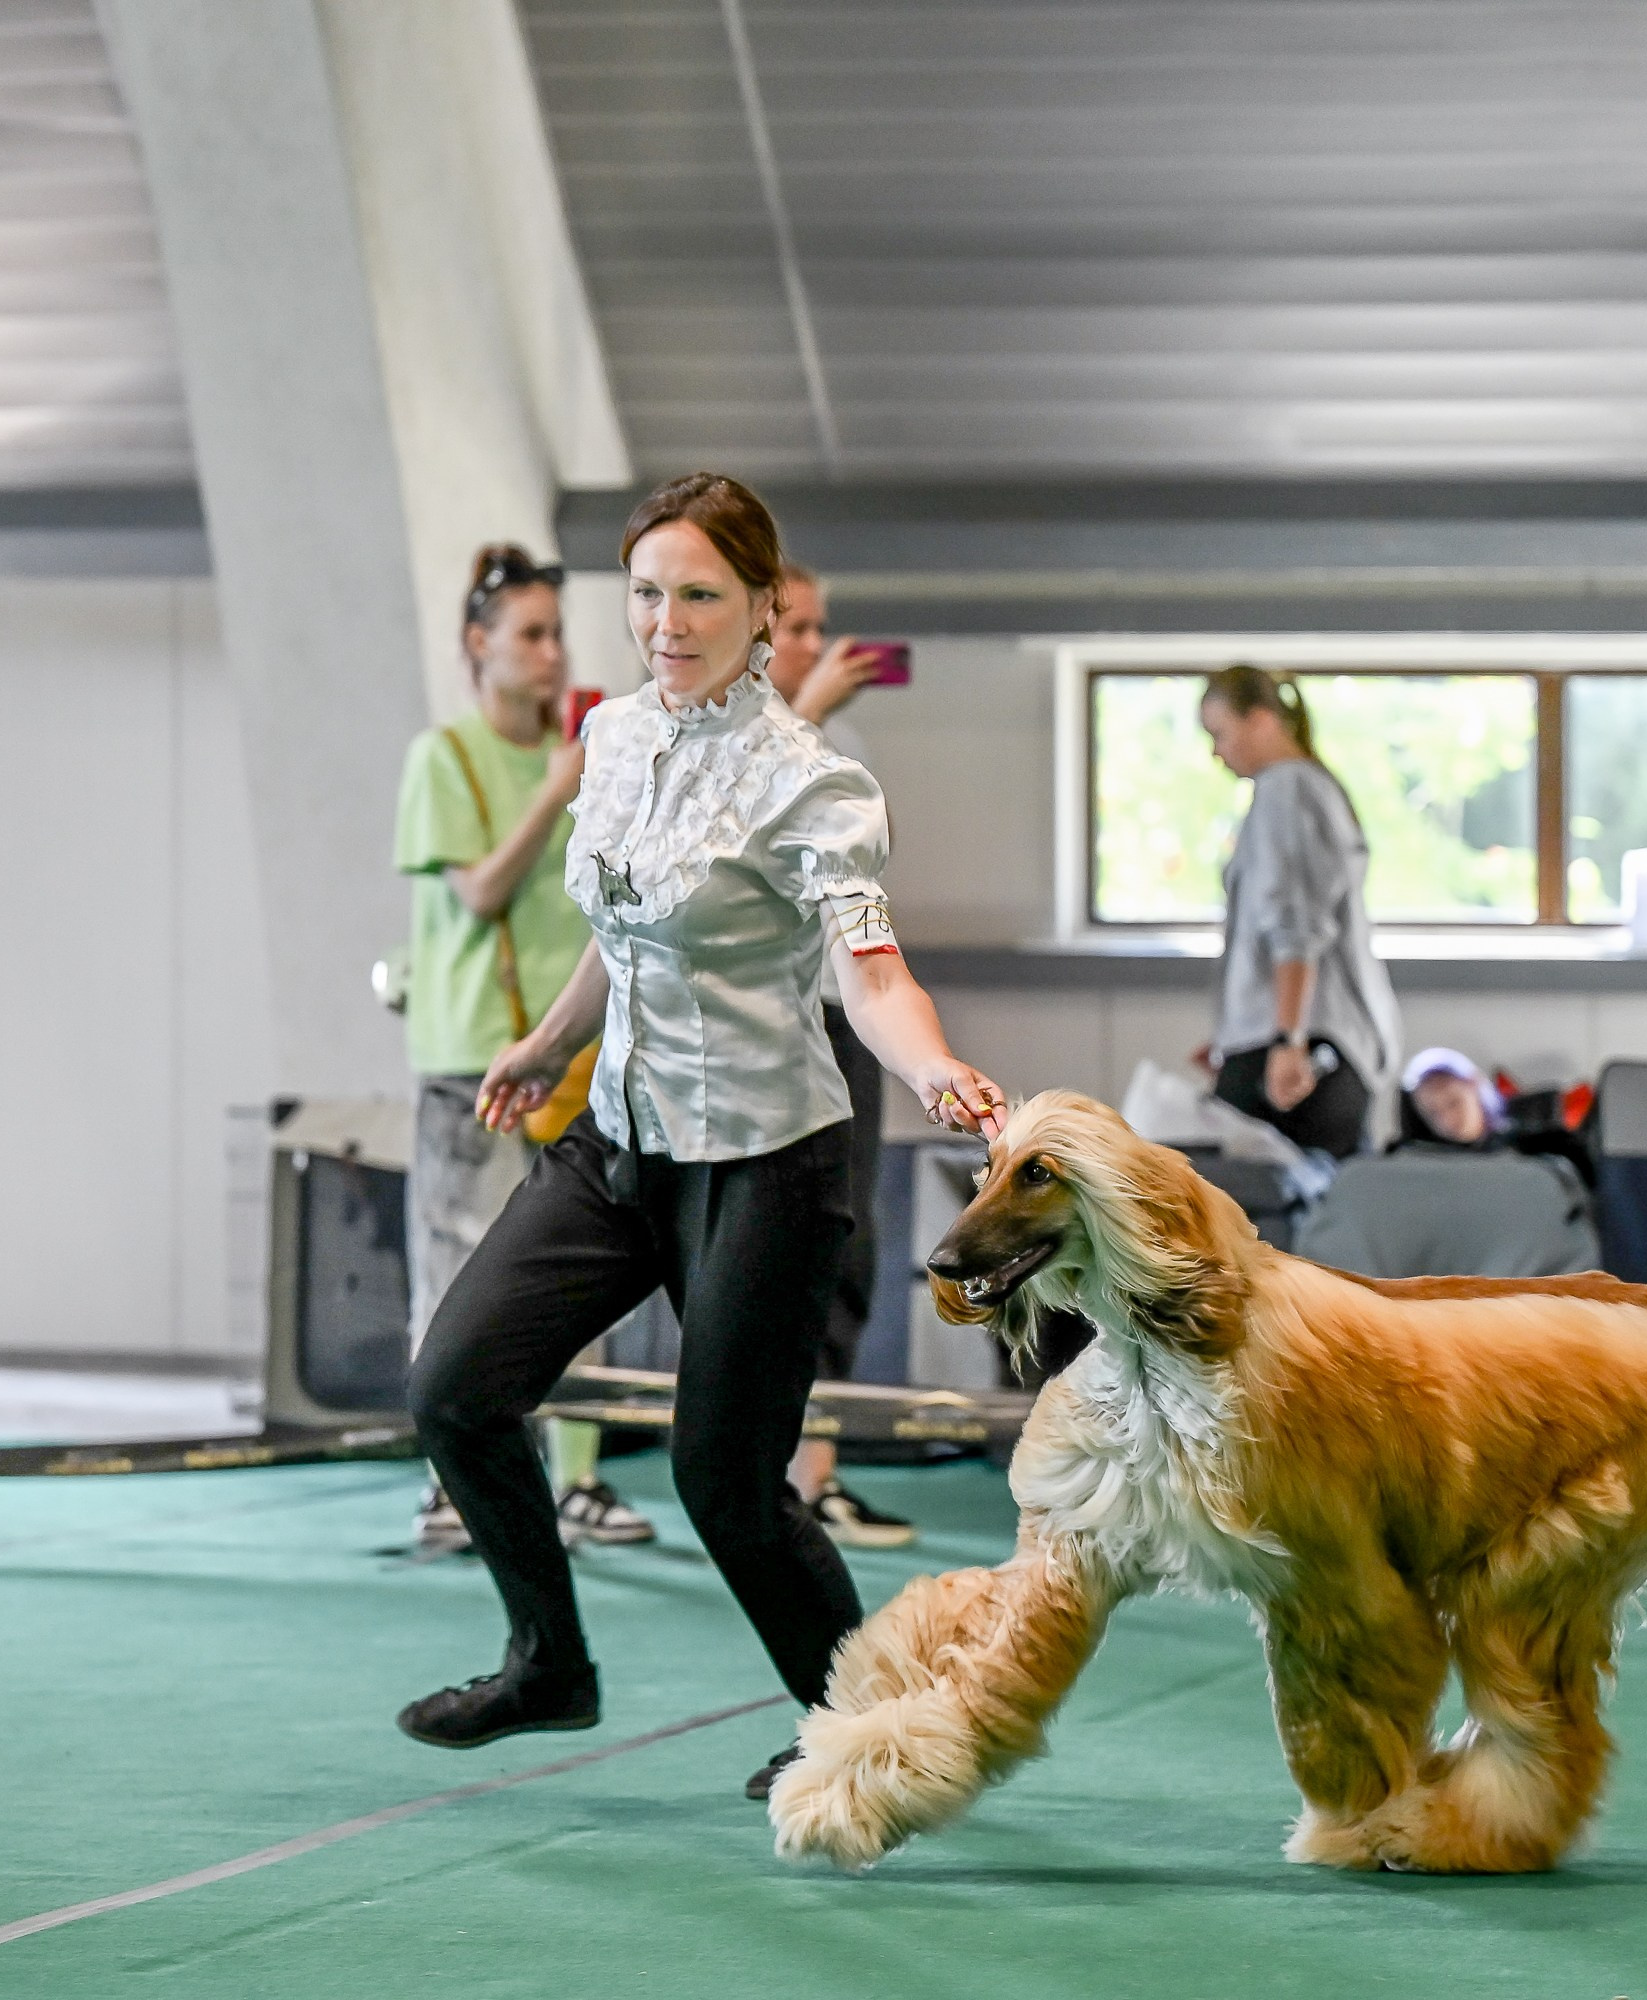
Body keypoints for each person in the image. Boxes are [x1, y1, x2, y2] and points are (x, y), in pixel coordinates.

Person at [396, 474, 1005, 1799]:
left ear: (766, 609)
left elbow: (872, 974)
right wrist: (551, 1042)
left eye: (701, 595)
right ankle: (546, 1660)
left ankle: (873, 1733)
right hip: (618, 1145)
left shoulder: (817, 781)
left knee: (724, 1483)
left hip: (766, 1164)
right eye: (649, 594)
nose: (668, 621)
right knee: (453, 1387)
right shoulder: (611, 737)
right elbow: (627, 934)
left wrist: (937, 1064)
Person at [393, 545, 650, 1553]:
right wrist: (553, 792)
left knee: (577, 1276)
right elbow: (479, 891)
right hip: (474, 1049)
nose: (551, 657)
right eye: (531, 635)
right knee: (460, 1271)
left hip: (586, 1053)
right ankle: (451, 1482)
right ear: (479, 644)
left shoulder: (594, 751)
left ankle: (577, 1478)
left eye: (558, 636)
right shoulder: (445, 759)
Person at [762, 561, 917, 1549]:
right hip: (765, 1032)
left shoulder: (836, 744)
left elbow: (860, 905)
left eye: (824, 627)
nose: (818, 646)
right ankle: (766, 1473)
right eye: (797, 628)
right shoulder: (727, 743)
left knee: (844, 1242)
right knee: (766, 1256)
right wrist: (802, 715)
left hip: (837, 1021)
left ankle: (814, 1474)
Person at [1194, 665, 1400, 1159]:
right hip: (1301, 1038)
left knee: (1250, 1219)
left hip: (1306, 1047)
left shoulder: (1287, 789)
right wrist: (1235, 1033)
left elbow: (1297, 927)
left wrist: (1288, 1040)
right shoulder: (1308, 787)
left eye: (1220, 733)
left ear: (1262, 721)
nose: (1216, 751)